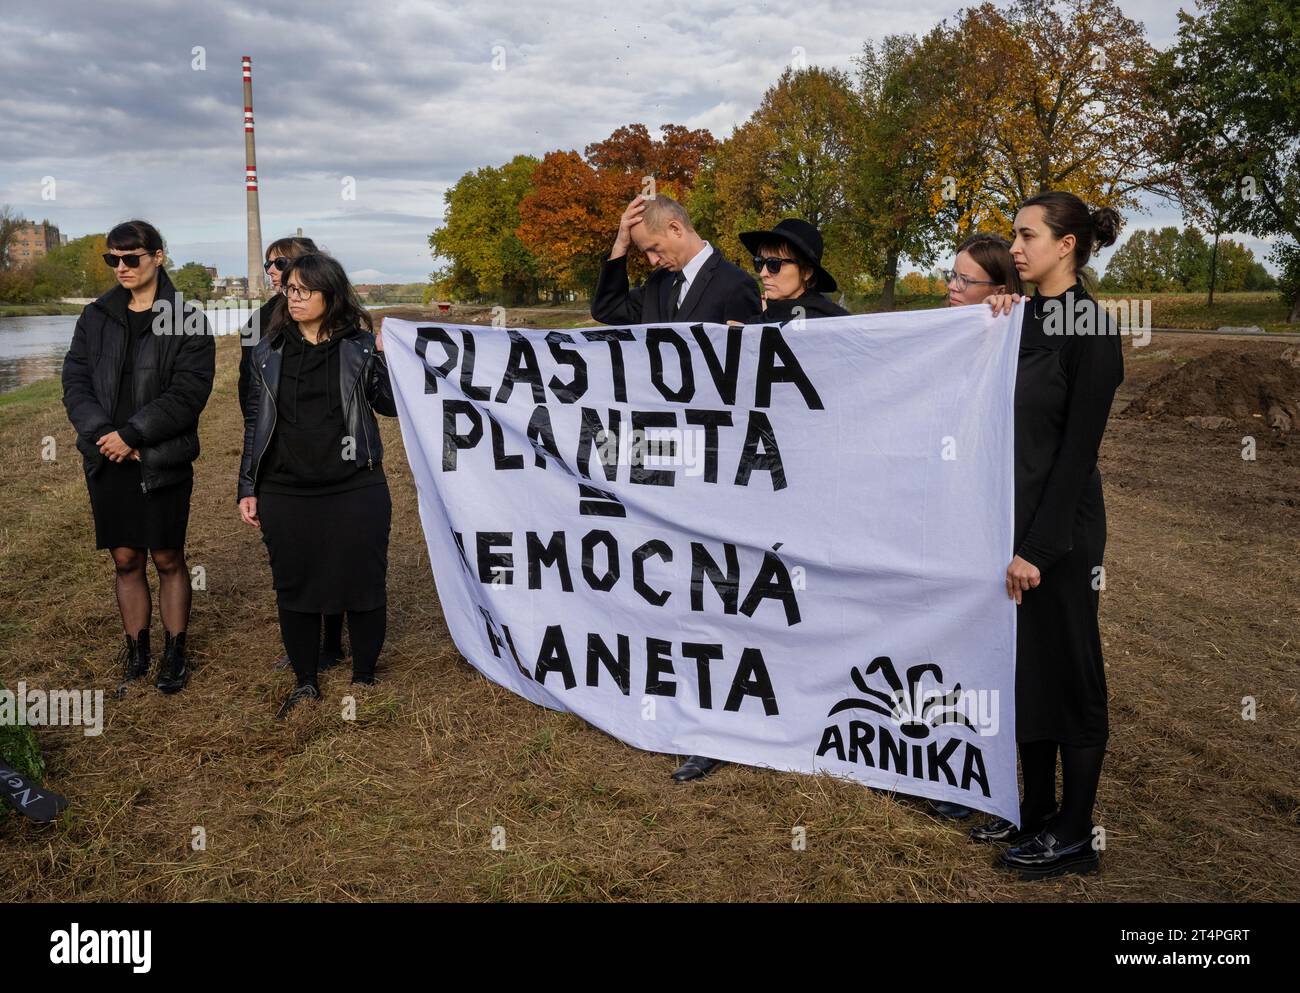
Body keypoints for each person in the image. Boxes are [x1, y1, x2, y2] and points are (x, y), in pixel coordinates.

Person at [969, 191, 1124, 878]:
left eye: (1029, 235)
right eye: (1014, 235)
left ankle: (1073, 832)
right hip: (1012, 525)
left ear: (1068, 245)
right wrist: (992, 321)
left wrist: (1038, 546)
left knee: (1071, 674)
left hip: (1058, 534)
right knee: (1025, 671)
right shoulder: (1017, 318)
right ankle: (1034, 811)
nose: (1017, 247)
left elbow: (1076, 454)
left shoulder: (1092, 328)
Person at [237, 253, 397, 718]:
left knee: (364, 579)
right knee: (295, 584)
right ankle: (305, 680)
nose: (295, 297)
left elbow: (388, 406)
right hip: (285, 488)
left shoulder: (361, 347)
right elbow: (255, 423)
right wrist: (248, 484)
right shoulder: (268, 351)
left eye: (305, 290)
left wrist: (386, 357)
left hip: (355, 485)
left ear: (331, 293)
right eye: (290, 289)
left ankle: (364, 675)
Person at [61, 219, 215, 696]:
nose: (121, 267)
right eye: (113, 259)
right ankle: (137, 650)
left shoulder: (187, 319)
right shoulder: (95, 317)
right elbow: (75, 380)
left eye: (131, 258)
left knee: (167, 556)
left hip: (160, 456)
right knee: (125, 558)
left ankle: (175, 651)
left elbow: (188, 394)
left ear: (158, 257)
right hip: (107, 457)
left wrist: (133, 434)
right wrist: (102, 434)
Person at [237, 234, 346, 674]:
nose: (273, 272)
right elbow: (250, 398)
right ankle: (304, 640)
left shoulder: (342, 323)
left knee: (332, 550)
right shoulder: (259, 323)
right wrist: (251, 470)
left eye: (281, 263)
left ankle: (333, 640)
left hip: (329, 456)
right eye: (269, 265)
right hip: (279, 457)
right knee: (293, 553)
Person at [591, 194, 760, 327]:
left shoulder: (737, 285)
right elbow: (607, 310)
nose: (652, 260)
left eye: (654, 248)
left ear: (675, 229)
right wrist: (620, 245)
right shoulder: (658, 282)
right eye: (646, 252)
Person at [735, 218, 848, 324]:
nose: (762, 274)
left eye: (774, 264)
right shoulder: (757, 324)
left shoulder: (832, 327)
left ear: (807, 272)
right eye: (759, 262)